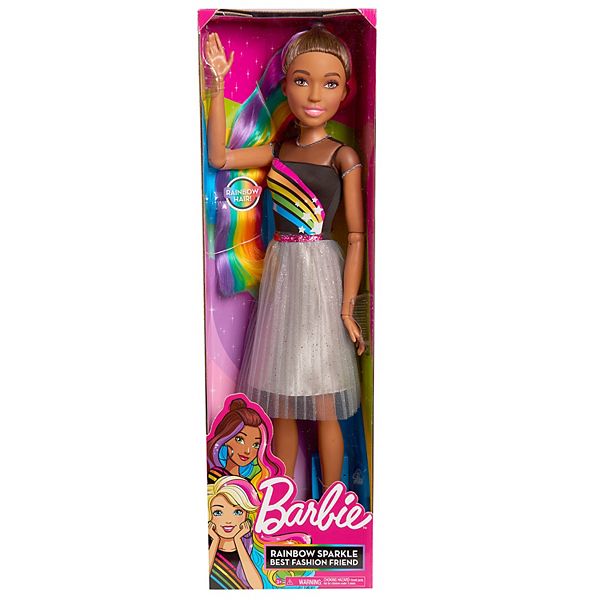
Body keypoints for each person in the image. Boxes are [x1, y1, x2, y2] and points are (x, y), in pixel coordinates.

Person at [204, 25, 365, 489]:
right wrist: (218, 87)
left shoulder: (343, 156)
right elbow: (220, 158)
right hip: (284, 275)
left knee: (326, 403)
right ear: (286, 85)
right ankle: (285, 496)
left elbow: (356, 235)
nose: (314, 95)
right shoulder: (278, 150)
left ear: (345, 92)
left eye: (329, 83)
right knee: (283, 401)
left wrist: (348, 309)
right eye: (301, 80)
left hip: (322, 275)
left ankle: (332, 501)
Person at [206, 395, 283, 488]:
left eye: (256, 445)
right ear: (226, 438)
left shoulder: (251, 483)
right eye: (240, 440)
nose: (247, 451)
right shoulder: (215, 476)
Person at [208, 476, 264, 589]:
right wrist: (215, 541)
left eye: (237, 512)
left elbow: (258, 587)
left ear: (246, 515)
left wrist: (238, 540)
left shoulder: (253, 547)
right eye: (218, 512)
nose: (228, 520)